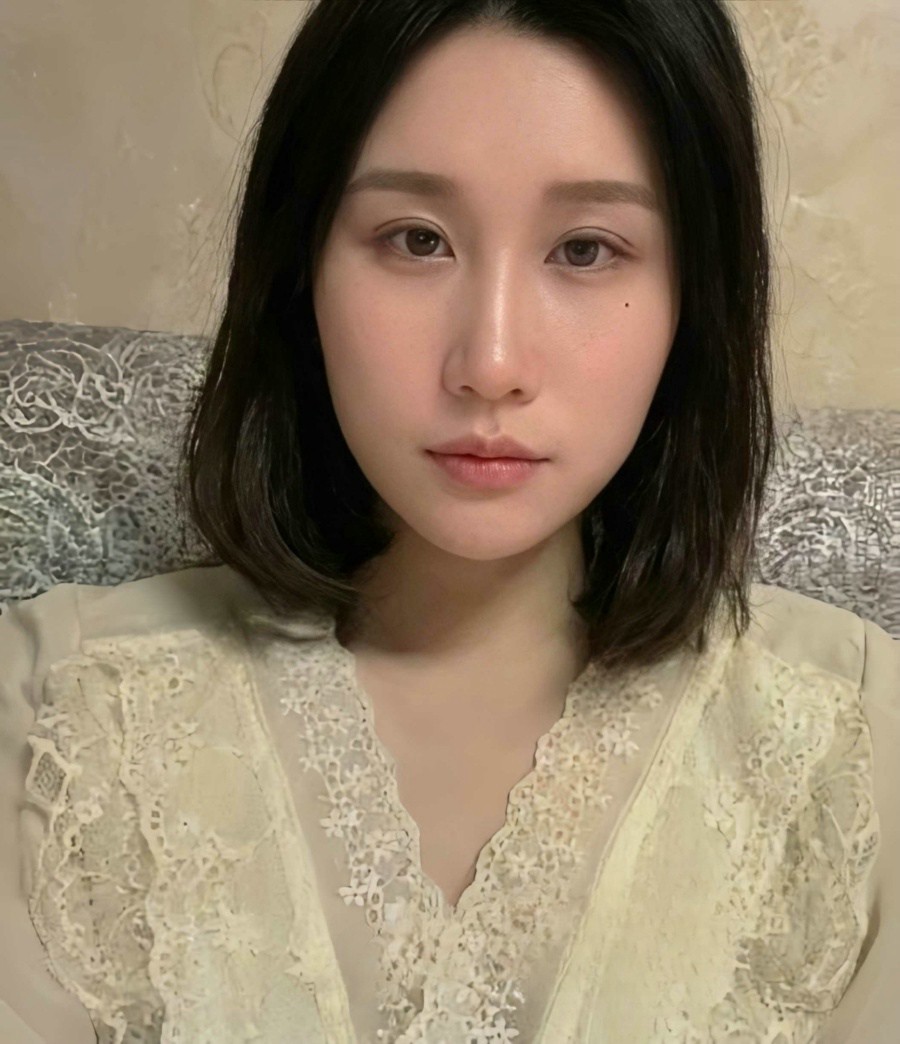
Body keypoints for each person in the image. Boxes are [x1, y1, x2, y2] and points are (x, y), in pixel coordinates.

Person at [1, 0, 897, 1040]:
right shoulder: (61, 713)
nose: (491, 363)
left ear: (694, 299)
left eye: (587, 250)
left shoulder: (848, 744)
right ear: (300, 269)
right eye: (416, 239)